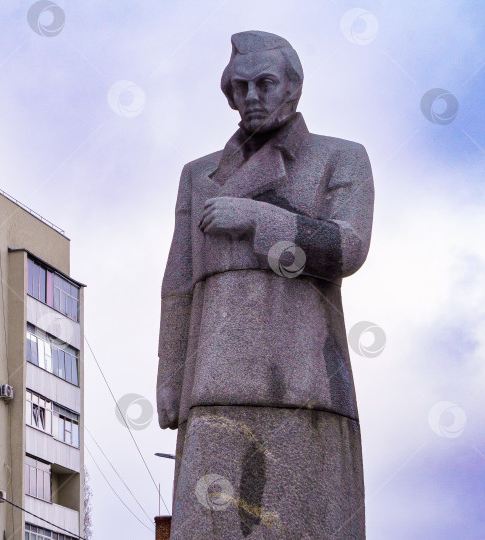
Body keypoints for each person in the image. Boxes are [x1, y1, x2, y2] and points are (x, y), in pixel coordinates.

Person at [157, 31, 374, 538]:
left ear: (292, 88)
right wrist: (170, 374)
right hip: (212, 381)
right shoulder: (199, 174)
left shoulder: (340, 157)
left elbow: (348, 247)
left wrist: (257, 218)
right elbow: (179, 282)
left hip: (305, 381)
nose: (251, 97)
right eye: (240, 87)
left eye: (265, 83)